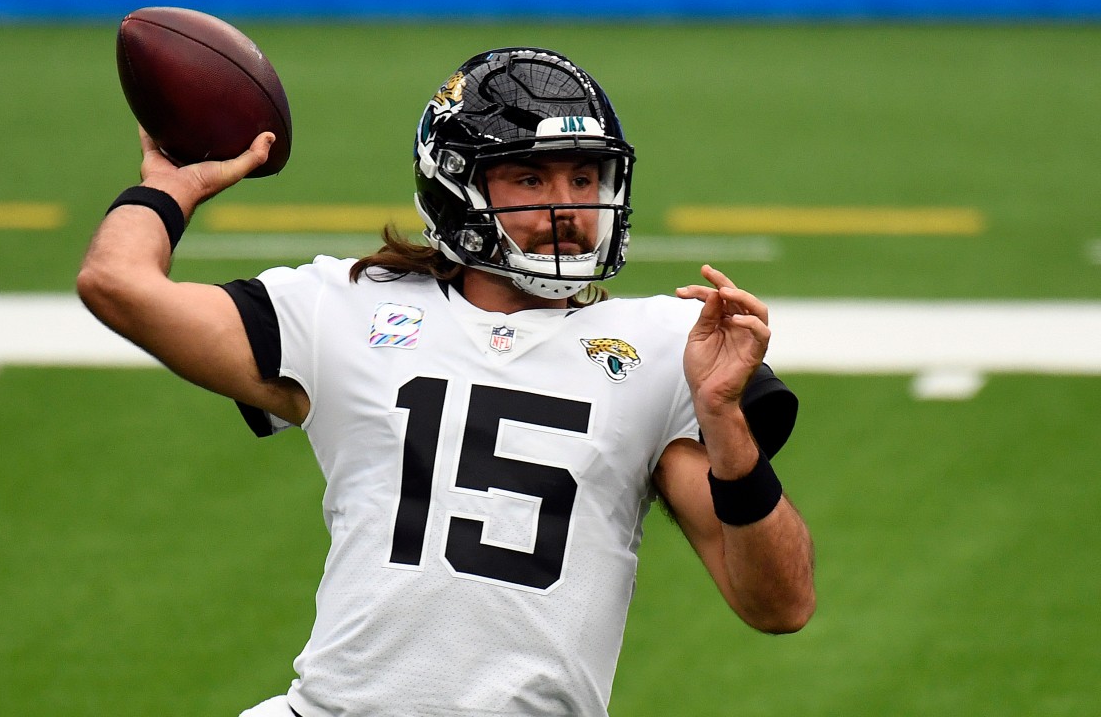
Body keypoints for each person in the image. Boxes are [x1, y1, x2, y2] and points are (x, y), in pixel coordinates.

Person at [78, 47, 815, 717]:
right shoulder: (346, 307)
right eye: (530, 177)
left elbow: (780, 605)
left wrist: (725, 422)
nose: (569, 208)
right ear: (456, 188)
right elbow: (116, 283)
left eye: (584, 177)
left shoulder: (662, 347)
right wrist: (170, 187)